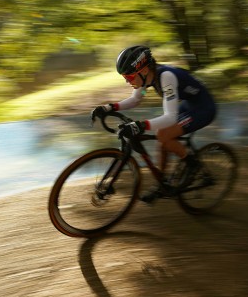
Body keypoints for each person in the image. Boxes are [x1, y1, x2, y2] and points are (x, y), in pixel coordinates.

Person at [91, 45, 217, 201]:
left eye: (129, 77)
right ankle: (162, 184)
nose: (127, 82)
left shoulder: (166, 77)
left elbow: (170, 117)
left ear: (143, 70)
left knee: (163, 135)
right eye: (124, 78)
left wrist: (141, 125)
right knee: (162, 140)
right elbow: (136, 99)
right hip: (190, 103)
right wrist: (109, 107)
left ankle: (193, 164)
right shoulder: (145, 79)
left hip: (204, 107)